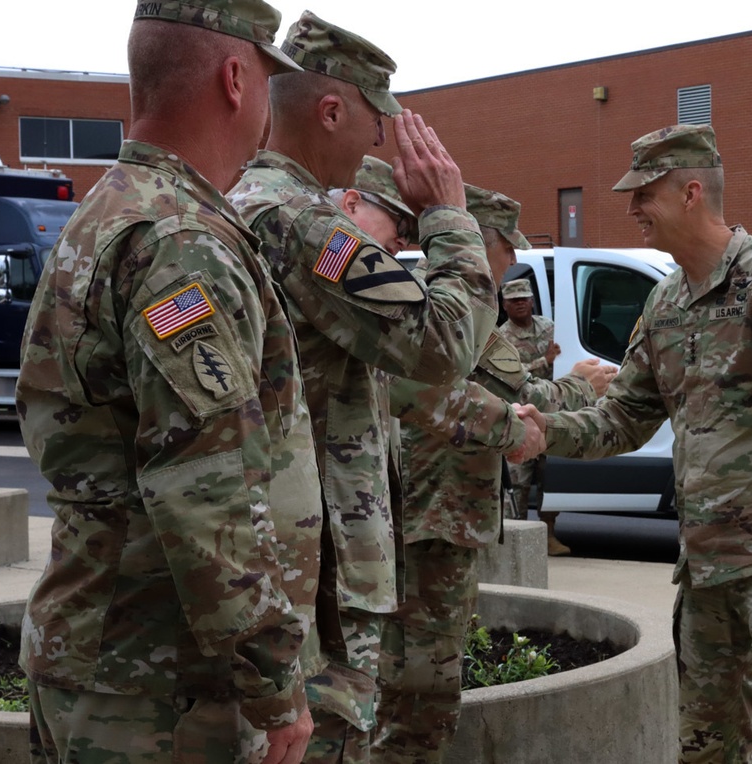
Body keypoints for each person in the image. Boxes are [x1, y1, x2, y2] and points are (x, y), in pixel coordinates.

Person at [15, 2, 321, 763]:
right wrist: (274, 680)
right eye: (266, 82)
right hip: (159, 686)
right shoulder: (179, 243)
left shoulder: (109, 213)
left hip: (110, 660)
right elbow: (206, 483)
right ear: (234, 79)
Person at [521, 124, 752, 763]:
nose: (631, 211)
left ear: (690, 193)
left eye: (643, 194)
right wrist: (544, 433)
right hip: (705, 574)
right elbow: (623, 417)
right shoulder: (664, 303)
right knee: (705, 748)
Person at [227, 13, 498, 763]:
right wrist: (448, 214)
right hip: (318, 574)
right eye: (376, 121)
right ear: (331, 109)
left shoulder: (240, 204)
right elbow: (444, 343)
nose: (381, 145)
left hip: (279, 554)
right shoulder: (305, 225)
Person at [374, 184, 615, 763]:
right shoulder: (466, 320)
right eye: (508, 253)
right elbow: (528, 398)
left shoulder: (422, 305)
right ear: (486, 247)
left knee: (399, 680)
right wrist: (585, 383)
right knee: (426, 693)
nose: (511, 269)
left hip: (416, 514)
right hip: (438, 518)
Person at [497, 277, 570, 554]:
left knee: (549, 478)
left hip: (550, 416)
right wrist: (544, 361)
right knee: (518, 482)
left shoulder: (548, 327)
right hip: (519, 417)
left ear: (531, 301)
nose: (520, 304)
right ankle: (515, 542)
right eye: (514, 300)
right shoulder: (502, 336)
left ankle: (548, 535)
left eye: (524, 298)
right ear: (505, 304)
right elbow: (510, 375)